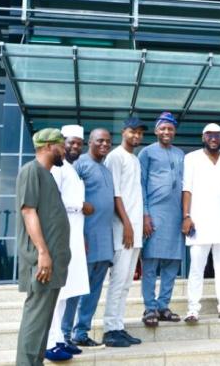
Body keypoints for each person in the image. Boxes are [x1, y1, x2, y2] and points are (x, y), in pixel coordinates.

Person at [16, 128, 71, 366]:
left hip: (52, 263)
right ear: (48, 146)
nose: (64, 150)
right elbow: (28, 211)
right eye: (61, 145)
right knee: (35, 320)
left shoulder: (47, 174)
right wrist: (43, 253)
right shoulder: (31, 171)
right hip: (42, 263)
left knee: (43, 324)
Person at [181, 123, 220, 322]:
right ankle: (193, 309)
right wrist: (186, 216)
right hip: (199, 221)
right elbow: (186, 189)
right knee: (197, 268)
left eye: (217, 135)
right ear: (203, 137)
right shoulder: (191, 159)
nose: (213, 138)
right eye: (209, 135)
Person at [45, 125, 91, 361]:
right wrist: (82, 206)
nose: (74, 147)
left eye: (78, 144)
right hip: (61, 230)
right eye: (70, 143)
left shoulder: (71, 169)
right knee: (58, 290)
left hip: (74, 230)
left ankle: (61, 338)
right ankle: (50, 343)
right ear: (62, 143)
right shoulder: (56, 167)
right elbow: (54, 202)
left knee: (68, 287)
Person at [65, 129, 114, 348]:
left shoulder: (106, 168)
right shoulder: (80, 165)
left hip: (104, 241)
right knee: (76, 289)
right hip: (85, 239)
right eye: (99, 140)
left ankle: (81, 333)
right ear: (90, 143)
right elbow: (69, 198)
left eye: (108, 141)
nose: (104, 144)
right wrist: (79, 235)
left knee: (94, 291)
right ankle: (64, 333)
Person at [102, 118, 146, 347]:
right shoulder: (115, 157)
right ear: (123, 132)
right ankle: (109, 329)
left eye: (139, 133)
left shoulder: (135, 159)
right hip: (122, 230)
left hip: (134, 231)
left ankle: (118, 326)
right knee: (118, 281)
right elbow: (115, 194)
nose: (136, 136)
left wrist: (136, 226)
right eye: (132, 131)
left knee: (127, 283)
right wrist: (127, 225)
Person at [139, 112, 185, 327]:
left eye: (170, 129)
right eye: (163, 128)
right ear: (157, 130)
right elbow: (140, 184)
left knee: (172, 264)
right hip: (154, 214)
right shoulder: (146, 153)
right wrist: (145, 214)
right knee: (150, 264)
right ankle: (149, 307)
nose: (167, 132)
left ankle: (163, 305)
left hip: (176, 216)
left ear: (174, 131)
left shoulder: (180, 154)